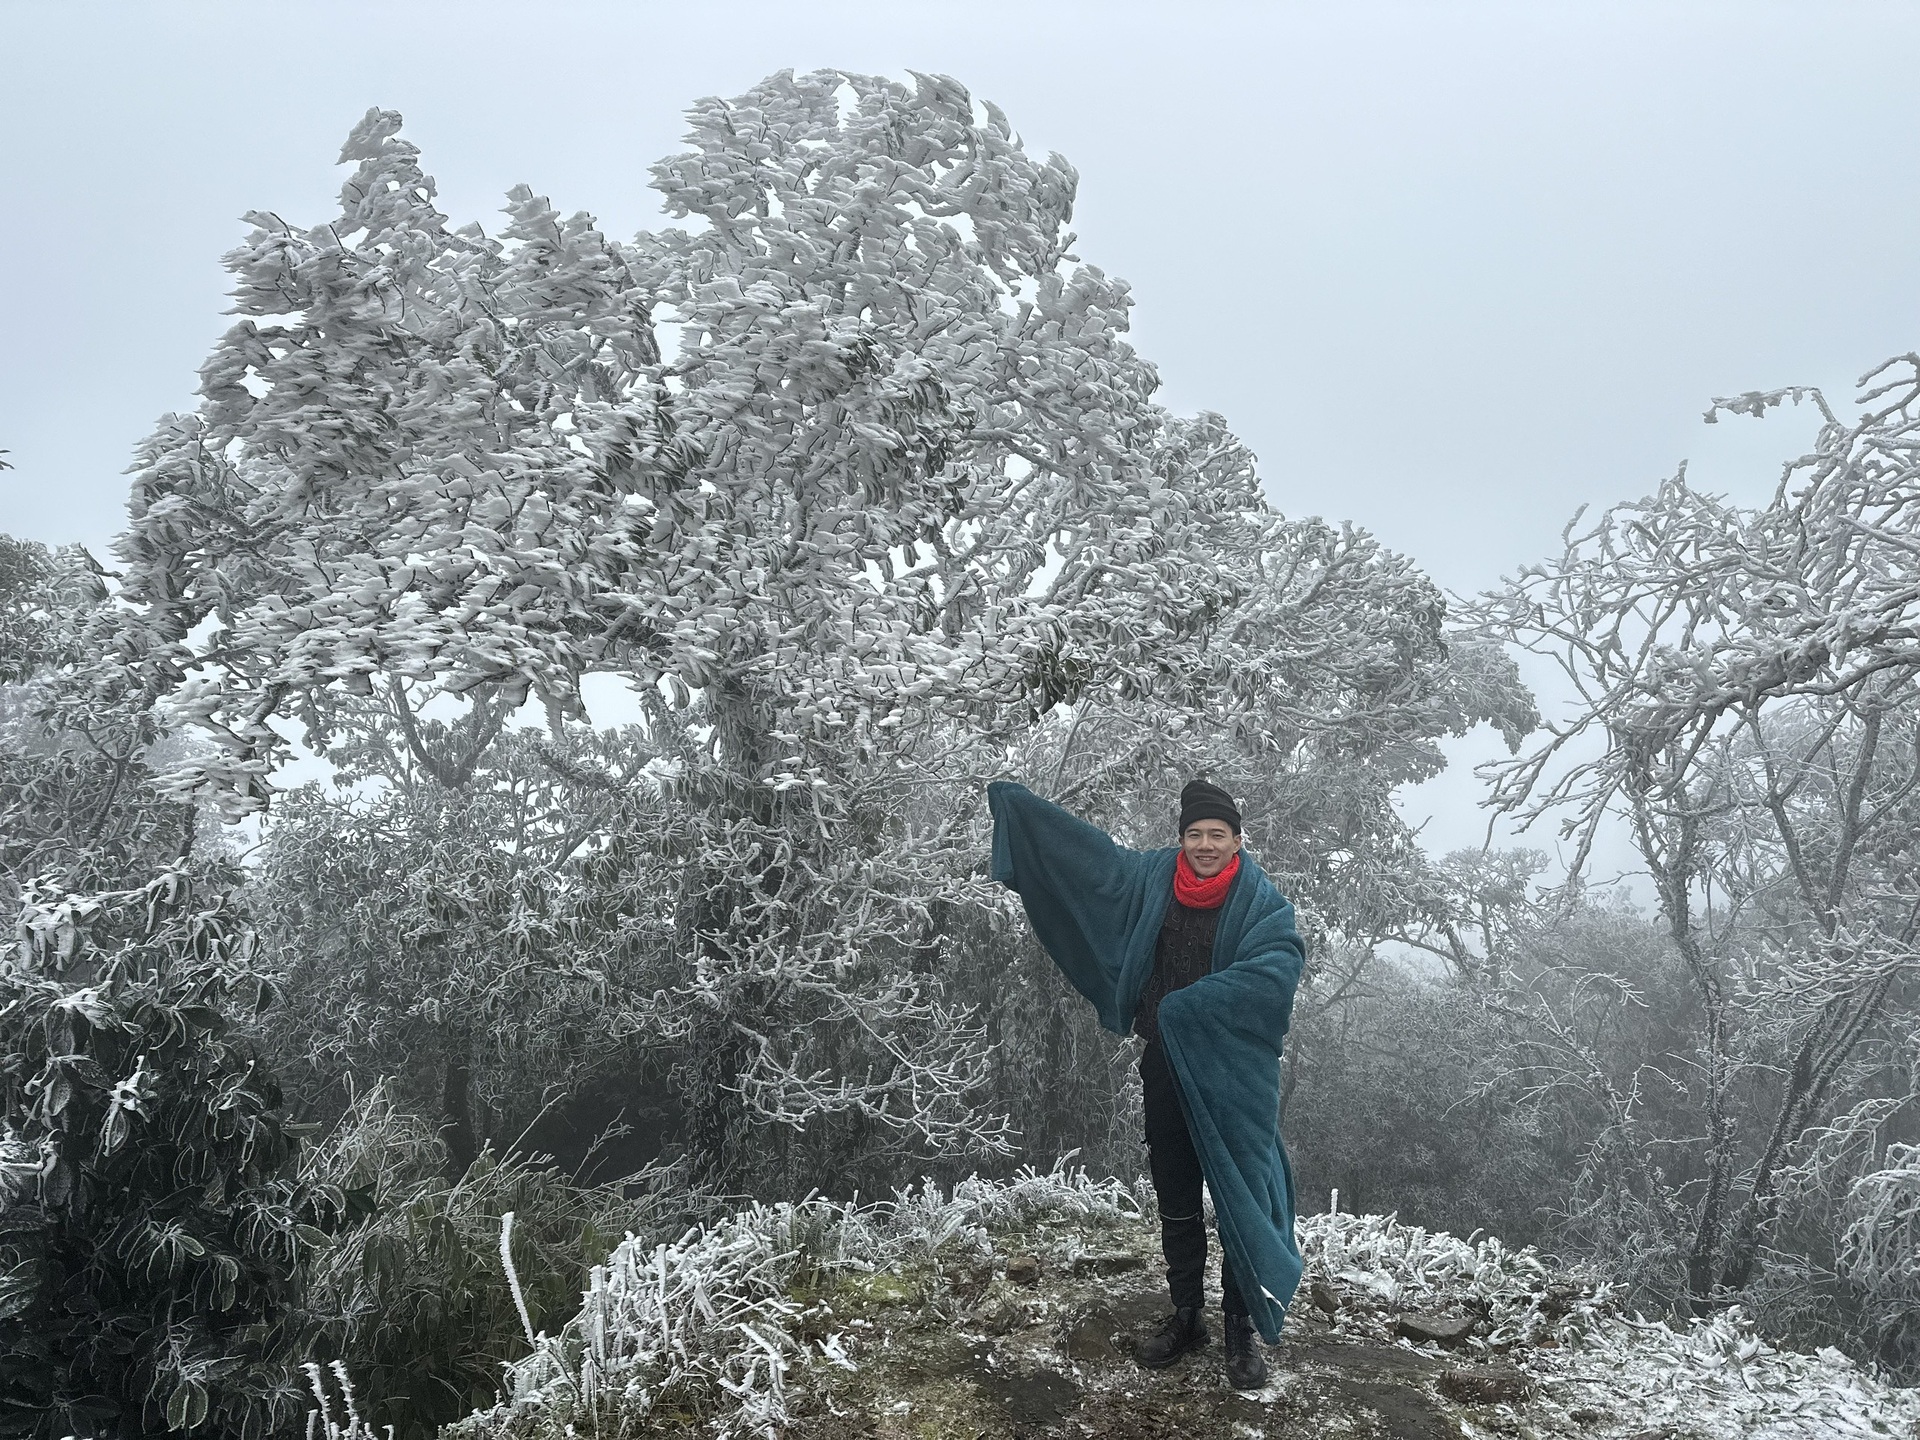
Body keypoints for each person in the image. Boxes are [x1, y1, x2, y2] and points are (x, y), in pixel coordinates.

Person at [987, 777, 1307, 1392]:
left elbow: (1278, 966)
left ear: (1237, 840)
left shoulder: (1260, 901)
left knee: (1239, 1195)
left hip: (1234, 1078)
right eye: (1195, 834)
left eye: (1217, 835)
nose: (1205, 845)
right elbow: (1094, 863)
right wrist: (1024, 811)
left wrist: (1188, 1007)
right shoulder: (1154, 879)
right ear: (1181, 838)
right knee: (1177, 1191)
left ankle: (1239, 1331)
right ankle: (1186, 1316)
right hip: (1164, 1064)